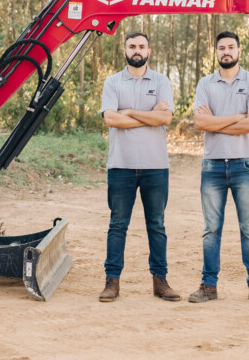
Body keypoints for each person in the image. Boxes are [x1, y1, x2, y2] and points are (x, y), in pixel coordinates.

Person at [188, 30, 249, 305]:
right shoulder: (205, 84)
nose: (226, 51)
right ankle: (209, 286)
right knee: (211, 229)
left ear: (239, 51)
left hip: (245, 165)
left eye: (231, 47)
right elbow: (201, 124)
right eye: (222, 47)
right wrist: (238, 116)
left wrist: (218, 121)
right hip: (212, 165)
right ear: (216, 52)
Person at [98, 32, 179, 302]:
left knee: (156, 225)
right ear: (125, 50)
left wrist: (129, 112)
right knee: (117, 224)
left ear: (149, 50)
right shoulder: (112, 82)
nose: (137, 50)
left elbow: (165, 118)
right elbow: (111, 119)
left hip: (155, 166)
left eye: (142, 46)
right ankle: (112, 282)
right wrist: (148, 115)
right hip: (120, 165)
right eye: (132, 46)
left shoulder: (161, 81)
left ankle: (160, 281)